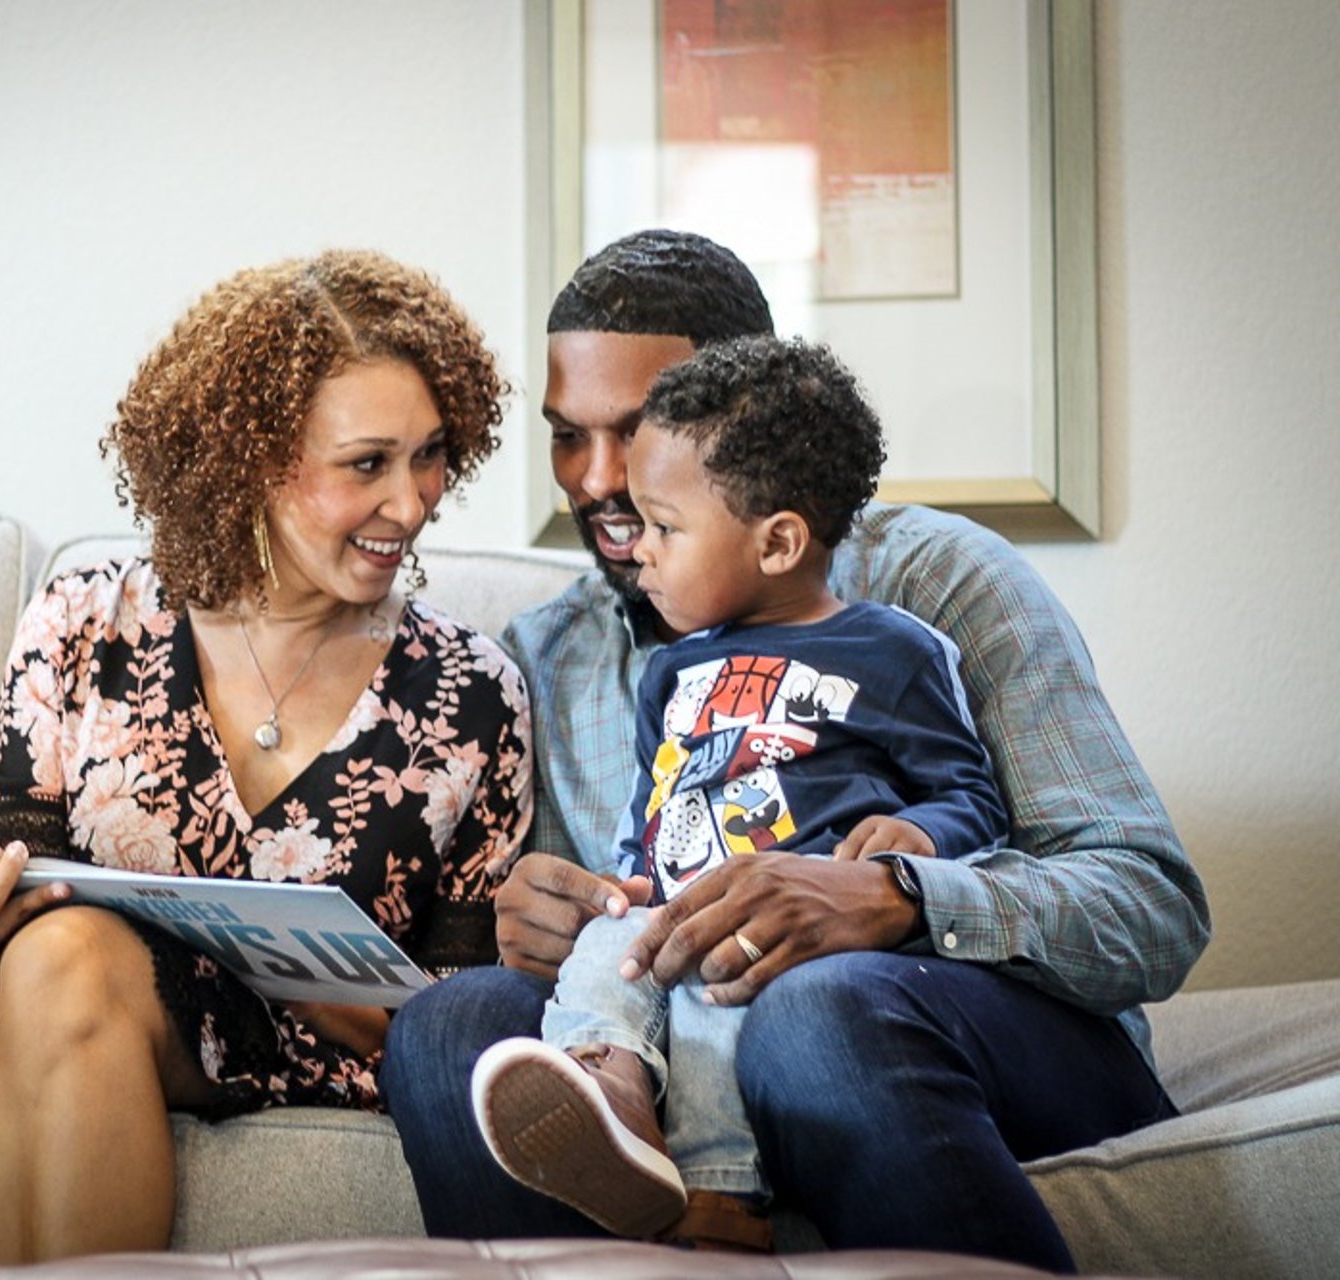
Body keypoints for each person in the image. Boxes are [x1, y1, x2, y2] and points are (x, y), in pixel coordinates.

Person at [379, 230, 1211, 1272]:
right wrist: (533, 914)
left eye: (634, 430)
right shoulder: (550, 651)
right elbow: (592, 924)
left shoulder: (937, 587)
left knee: (816, 1008)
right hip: (677, 1035)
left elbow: (1153, 905)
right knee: (455, 1029)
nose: (599, 482)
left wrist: (901, 897)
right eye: (567, 436)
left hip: (961, 1033)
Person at [0, 249, 533, 1277]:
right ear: (252, 457)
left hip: (299, 1043)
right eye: (367, 463)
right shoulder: (84, 614)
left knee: (68, 957)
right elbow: (26, 864)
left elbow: (474, 997)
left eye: (431, 456)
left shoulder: (468, 687)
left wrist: (388, 1008)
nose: (411, 504)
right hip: (56, 1000)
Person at [470, 335, 1008, 1249]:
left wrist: (914, 840)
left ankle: (722, 1200)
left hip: (790, 928)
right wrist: (625, 884)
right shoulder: (670, 672)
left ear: (780, 542)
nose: (636, 549)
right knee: (609, 953)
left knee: (723, 991)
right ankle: (610, 1093)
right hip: (674, 903)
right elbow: (657, 803)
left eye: (665, 528)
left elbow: (971, 796)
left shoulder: (893, 650)